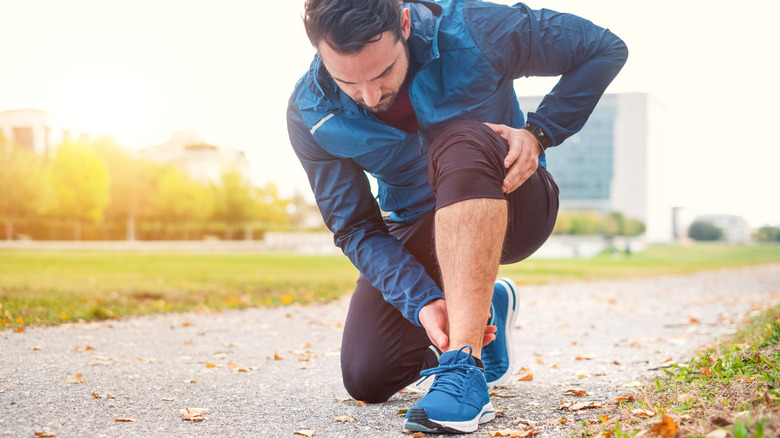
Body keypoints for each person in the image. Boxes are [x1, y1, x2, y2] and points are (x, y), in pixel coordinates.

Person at [286, 0, 627, 433]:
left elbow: (603, 48)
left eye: (382, 73)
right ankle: (486, 307)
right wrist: (422, 301)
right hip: (418, 221)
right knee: (368, 376)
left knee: (461, 137)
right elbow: (355, 226)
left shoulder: (475, 27)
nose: (370, 97)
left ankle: (464, 368)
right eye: (347, 81)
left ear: (404, 23)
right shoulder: (310, 113)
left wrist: (540, 133)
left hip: (511, 200)